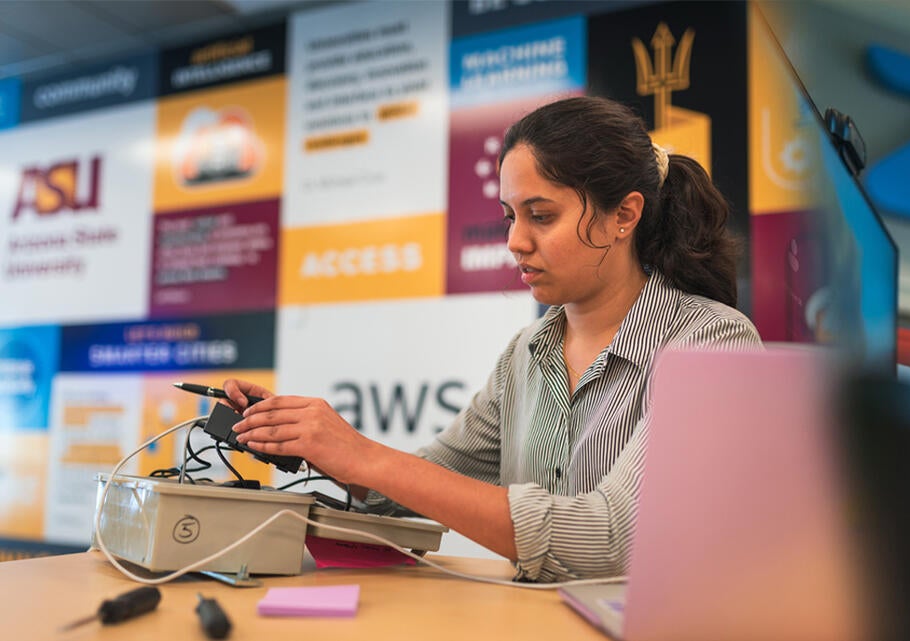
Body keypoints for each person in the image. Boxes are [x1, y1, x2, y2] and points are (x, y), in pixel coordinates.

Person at [224, 96, 760, 581]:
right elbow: (420, 490)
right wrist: (320, 447)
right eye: (509, 217)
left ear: (624, 215)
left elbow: (611, 541)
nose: (515, 242)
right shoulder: (526, 355)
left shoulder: (713, 343)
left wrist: (363, 455)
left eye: (541, 216)